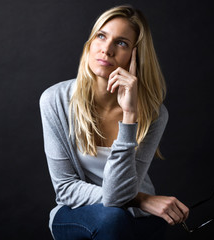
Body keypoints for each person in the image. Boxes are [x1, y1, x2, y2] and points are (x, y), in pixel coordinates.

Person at [39, 5, 189, 240]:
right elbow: (66, 187)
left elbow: (120, 193)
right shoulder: (55, 100)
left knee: (142, 225)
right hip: (75, 213)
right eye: (101, 36)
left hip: (137, 217)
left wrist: (130, 116)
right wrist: (143, 199)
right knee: (113, 218)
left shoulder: (153, 114)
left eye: (121, 43)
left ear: (135, 56)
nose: (106, 49)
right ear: (90, 43)